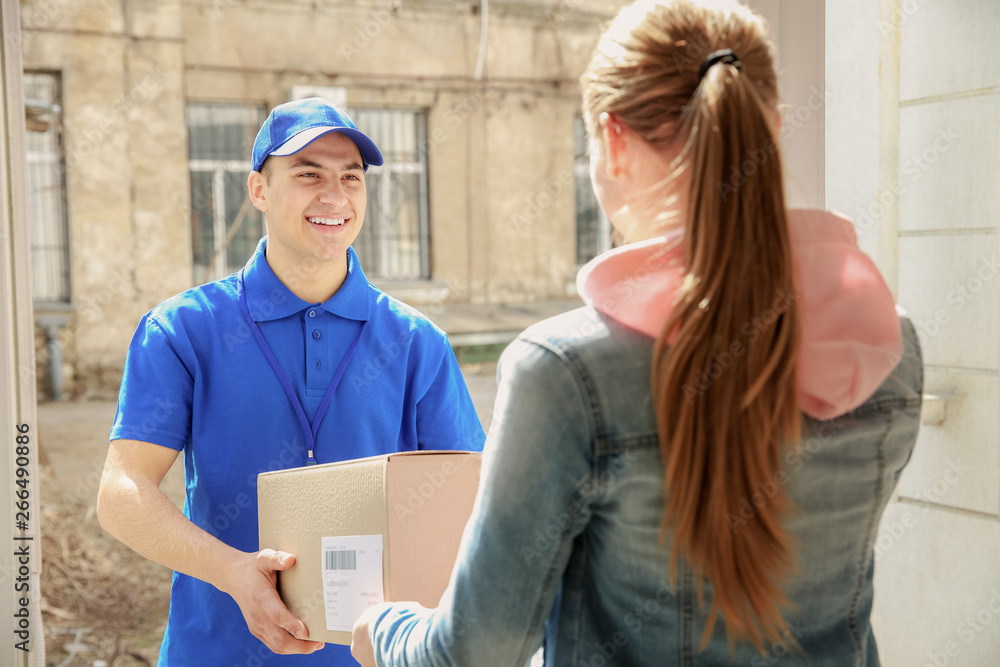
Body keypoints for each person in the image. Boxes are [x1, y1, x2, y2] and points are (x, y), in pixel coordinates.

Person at [350, 1, 922, 664]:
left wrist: (382, 627)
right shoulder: (891, 344)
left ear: (613, 143)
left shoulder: (565, 371)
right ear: (771, 126)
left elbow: (474, 653)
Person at [96, 97, 486, 666]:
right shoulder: (184, 330)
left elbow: (467, 500)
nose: (334, 196)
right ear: (258, 190)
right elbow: (120, 493)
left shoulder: (415, 341)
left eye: (351, 178)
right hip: (219, 652)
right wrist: (231, 570)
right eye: (308, 175)